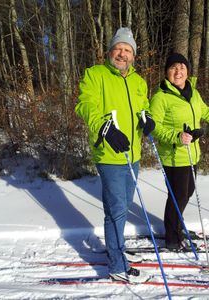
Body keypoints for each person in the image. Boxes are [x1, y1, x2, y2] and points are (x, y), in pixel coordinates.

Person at [75, 28, 155, 283]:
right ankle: (118, 267)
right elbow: (85, 105)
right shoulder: (95, 75)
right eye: (118, 48)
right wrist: (105, 127)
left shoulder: (138, 81)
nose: (122, 53)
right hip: (109, 154)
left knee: (122, 206)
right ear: (110, 51)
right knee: (117, 210)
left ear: (133, 56)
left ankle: (117, 246)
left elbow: (143, 106)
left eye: (127, 50)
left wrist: (147, 119)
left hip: (133, 154)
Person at [149, 53, 209, 251]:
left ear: (187, 71)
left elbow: (206, 112)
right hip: (174, 156)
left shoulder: (193, 93)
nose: (178, 72)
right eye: (174, 68)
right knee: (178, 197)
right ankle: (172, 238)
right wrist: (176, 137)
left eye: (182, 68)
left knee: (187, 192)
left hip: (193, 154)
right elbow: (154, 126)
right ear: (167, 72)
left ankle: (177, 226)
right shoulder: (161, 97)